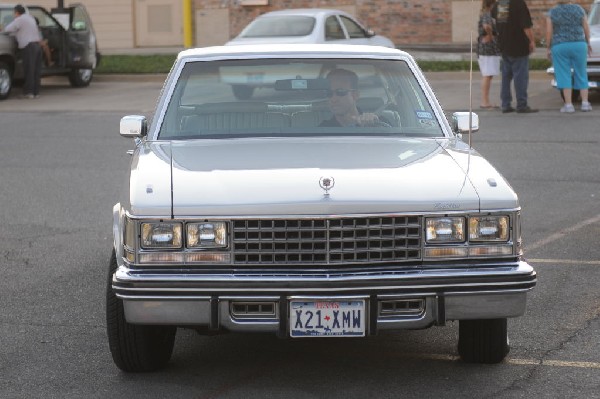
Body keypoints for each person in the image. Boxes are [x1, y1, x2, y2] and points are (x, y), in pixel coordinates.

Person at [492, 0, 538, 113]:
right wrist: (532, 41)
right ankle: (522, 104)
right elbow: (526, 26)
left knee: (506, 77)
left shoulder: (501, 4)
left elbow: (496, 21)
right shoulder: (519, 3)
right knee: (520, 77)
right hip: (519, 45)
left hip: (504, 45)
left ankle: (505, 104)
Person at [546, 1, 592, 113]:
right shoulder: (579, 9)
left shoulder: (552, 12)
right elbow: (586, 26)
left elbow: (549, 31)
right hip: (579, 44)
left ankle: (569, 105)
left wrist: (548, 47)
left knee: (563, 73)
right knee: (581, 72)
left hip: (560, 45)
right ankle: (585, 103)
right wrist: (588, 42)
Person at [319, 68, 385, 127]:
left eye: (340, 92)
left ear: (355, 95)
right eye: (329, 93)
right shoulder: (322, 130)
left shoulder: (378, 122)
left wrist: (372, 128)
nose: (333, 99)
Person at [4, 4, 43, 99]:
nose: (14, 15)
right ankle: (35, 92)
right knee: (35, 71)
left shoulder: (20, 19)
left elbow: (8, 29)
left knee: (29, 70)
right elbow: (22, 30)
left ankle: (29, 93)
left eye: (14, 13)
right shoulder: (30, 18)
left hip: (29, 47)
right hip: (37, 46)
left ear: (17, 12)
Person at [477, 0, 502, 109]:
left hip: (488, 49)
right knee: (487, 75)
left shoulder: (485, 13)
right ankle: (484, 101)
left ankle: (486, 101)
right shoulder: (488, 14)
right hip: (488, 49)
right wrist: (490, 35)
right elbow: (487, 26)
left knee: (488, 74)